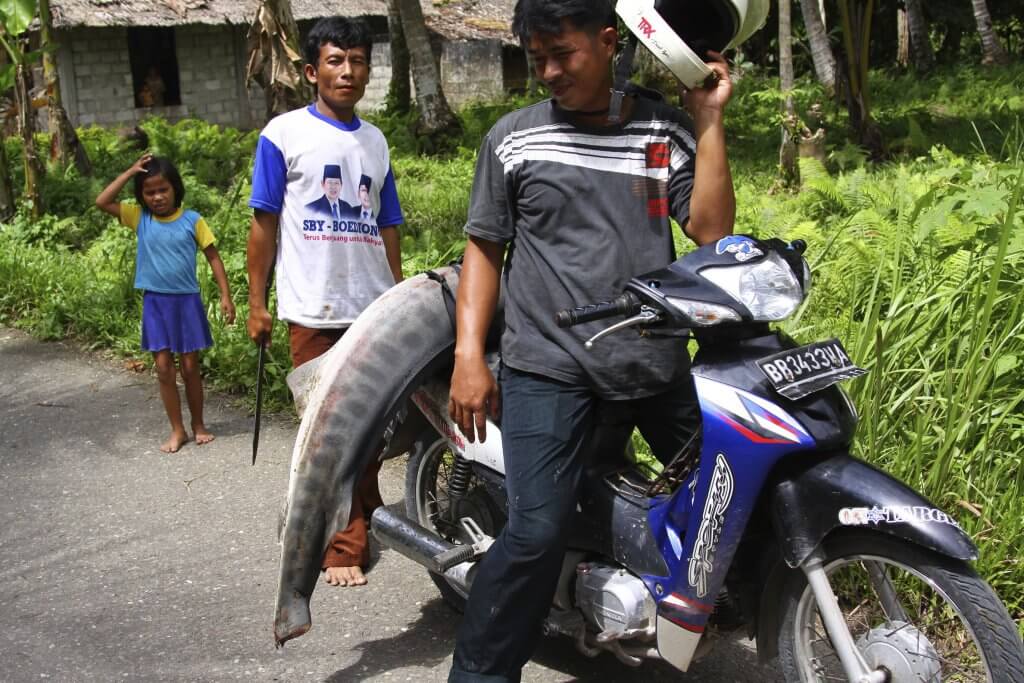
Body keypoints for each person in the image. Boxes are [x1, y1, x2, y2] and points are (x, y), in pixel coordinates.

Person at [445, 1, 736, 680]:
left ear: (609, 41)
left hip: (652, 359)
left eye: (562, 53)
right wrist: (467, 355)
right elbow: (484, 251)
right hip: (550, 366)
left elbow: (711, 231)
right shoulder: (513, 139)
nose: (547, 70)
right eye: (535, 57)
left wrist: (710, 118)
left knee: (727, 492)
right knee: (534, 531)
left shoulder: (664, 128)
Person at [246, 16, 404, 588]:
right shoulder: (283, 134)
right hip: (312, 310)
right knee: (326, 432)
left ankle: (357, 520)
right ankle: (341, 544)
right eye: (336, 61)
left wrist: (399, 295)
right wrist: (257, 303)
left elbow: (388, 225)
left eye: (358, 61)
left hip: (371, 310)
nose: (348, 71)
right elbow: (263, 224)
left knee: (370, 429)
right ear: (313, 71)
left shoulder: (375, 140)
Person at [95, 153, 236, 454]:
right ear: (141, 196)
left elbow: (214, 256)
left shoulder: (192, 220)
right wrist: (130, 170)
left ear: (175, 189)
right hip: (155, 304)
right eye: (149, 192)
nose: (157, 197)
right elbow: (102, 201)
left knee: (190, 366)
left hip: (187, 303)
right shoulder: (140, 219)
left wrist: (226, 295)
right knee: (162, 368)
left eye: (163, 190)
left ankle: (198, 424)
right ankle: (177, 430)